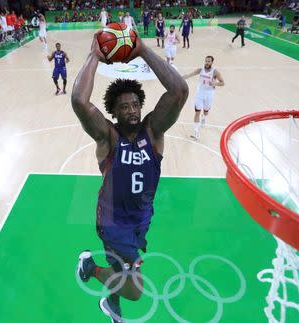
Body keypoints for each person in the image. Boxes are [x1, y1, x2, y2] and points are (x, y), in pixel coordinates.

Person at [73, 33, 188, 323]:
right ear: (115, 112)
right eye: (124, 107)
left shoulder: (154, 131)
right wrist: (95, 56)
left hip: (140, 219)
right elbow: (79, 100)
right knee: (135, 290)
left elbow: (179, 91)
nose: (132, 111)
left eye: (135, 104)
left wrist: (142, 50)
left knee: (121, 269)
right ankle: (90, 268)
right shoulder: (108, 137)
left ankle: (112, 306)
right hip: (113, 223)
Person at [183, 56, 225, 140]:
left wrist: (215, 83)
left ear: (212, 62)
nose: (207, 62)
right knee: (197, 112)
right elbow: (190, 74)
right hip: (200, 93)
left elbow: (222, 83)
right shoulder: (200, 70)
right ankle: (196, 133)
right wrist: (182, 77)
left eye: (209, 61)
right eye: (206, 61)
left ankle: (204, 117)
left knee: (206, 111)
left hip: (209, 94)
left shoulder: (215, 72)